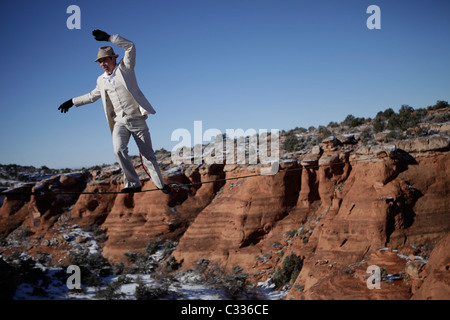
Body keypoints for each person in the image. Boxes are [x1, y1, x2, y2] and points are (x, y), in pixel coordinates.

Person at [58, 29, 170, 194]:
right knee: (118, 150)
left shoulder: (125, 68)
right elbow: (91, 96)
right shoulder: (100, 80)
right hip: (119, 121)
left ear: (113, 58)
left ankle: (161, 185)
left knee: (148, 155)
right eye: (100, 62)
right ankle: (133, 184)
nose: (103, 64)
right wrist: (72, 101)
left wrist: (110, 38)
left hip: (136, 118)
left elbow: (131, 47)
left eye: (105, 60)